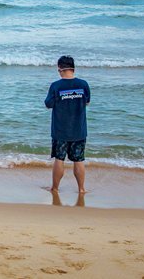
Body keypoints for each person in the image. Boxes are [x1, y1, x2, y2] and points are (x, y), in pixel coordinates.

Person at [44, 55, 90, 194]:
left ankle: (55, 188)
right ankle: (81, 189)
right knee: (79, 160)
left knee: (59, 159)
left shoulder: (56, 86)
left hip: (60, 130)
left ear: (60, 69)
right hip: (79, 129)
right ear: (73, 68)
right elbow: (87, 102)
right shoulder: (83, 84)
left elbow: (48, 104)